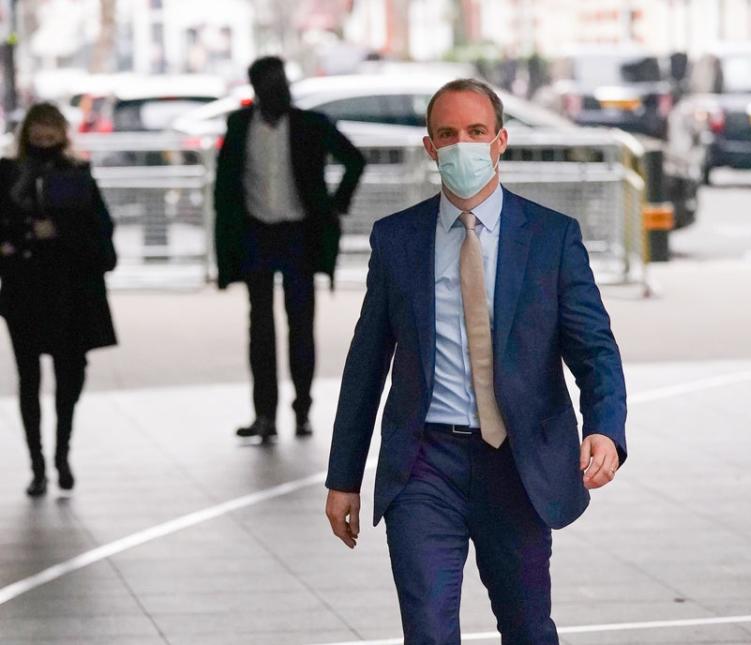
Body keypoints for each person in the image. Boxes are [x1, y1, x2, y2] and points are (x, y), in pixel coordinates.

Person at [324, 79, 627, 644]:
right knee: (429, 631)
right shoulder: (397, 240)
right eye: (448, 134)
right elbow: (366, 363)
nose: (462, 144)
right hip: (423, 466)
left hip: (517, 464)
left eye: (476, 132)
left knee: (527, 627)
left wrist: (605, 429)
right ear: (430, 147)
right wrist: (344, 476)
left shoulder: (551, 238)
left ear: (501, 140)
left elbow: (594, 348)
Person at [214, 56, 366, 442]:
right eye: (269, 84)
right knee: (260, 328)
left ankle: (302, 409)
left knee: (301, 325)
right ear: (255, 89)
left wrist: (336, 204)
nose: (278, 91)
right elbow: (224, 187)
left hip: (299, 236)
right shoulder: (238, 126)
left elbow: (354, 160)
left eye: (281, 82)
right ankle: (264, 415)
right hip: (256, 235)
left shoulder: (309, 124)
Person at [0, 102, 118, 497]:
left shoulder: (77, 174)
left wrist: (59, 231)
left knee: (70, 376)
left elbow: (100, 231)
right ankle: (38, 465)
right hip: (24, 290)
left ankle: (61, 454)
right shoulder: (8, 173)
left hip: (70, 291)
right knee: (29, 379)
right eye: (38, 135)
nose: (44, 142)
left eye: (51, 135)